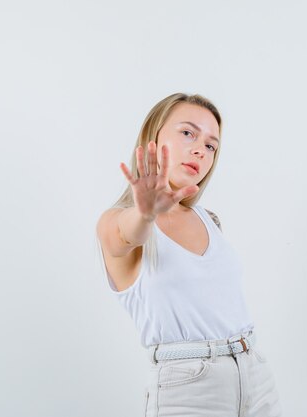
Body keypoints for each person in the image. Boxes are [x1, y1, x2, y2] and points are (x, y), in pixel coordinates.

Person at [95, 93, 282, 417]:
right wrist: (145, 214)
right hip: (189, 390)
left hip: (255, 377)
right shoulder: (116, 220)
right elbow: (124, 236)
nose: (200, 149)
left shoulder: (211, 220)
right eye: (187, 133)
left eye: (211, 145)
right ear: (153, 137)